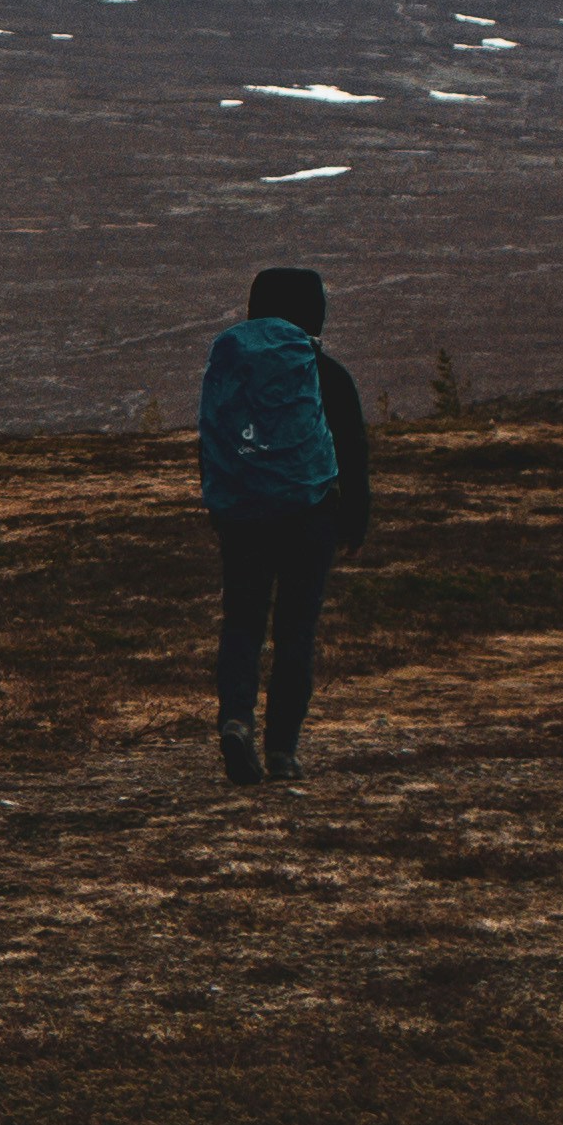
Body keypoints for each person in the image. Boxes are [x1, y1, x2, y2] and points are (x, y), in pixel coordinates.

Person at [198, 258, 370, 786]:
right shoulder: (327, 377)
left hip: (243, 513)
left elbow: (211, 442)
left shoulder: (232, 371)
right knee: (296, 629)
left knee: (243, 621)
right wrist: (354, 519)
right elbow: (353, 454)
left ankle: (235, 722)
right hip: (309, 514)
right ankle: (283, 752)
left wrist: (222, 508)